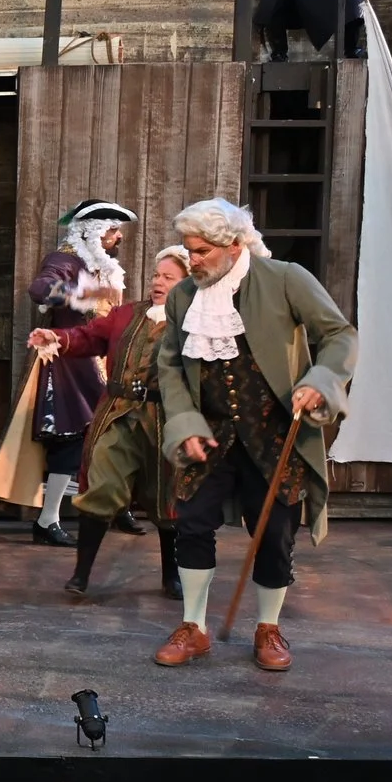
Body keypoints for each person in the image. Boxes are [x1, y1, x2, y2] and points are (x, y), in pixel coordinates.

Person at [153, 199, 357, 673]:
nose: (193, 260)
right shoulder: (185, 295)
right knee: (192, 523)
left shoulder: (284, 278)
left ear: (235, 244)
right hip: (211, 432)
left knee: (274, 533)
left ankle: (268, 627)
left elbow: (340, 335)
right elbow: (170, 367)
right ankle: (194, 627)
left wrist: (320, 382)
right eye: (189, 250)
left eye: (201, 251)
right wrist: (184, 424)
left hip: (274, 432)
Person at [29, 244, 189, 598]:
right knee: (101, 486)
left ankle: (171, 575)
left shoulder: (194, 321)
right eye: (156, 275)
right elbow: (89, 336)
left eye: (168, 277)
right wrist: (57, 337)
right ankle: (81, 575)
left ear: (188, 283)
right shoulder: (128, 314)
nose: (158, 282)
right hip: (117, 414)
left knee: (167, 494)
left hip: (165, 418)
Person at [28, 200, 136, 546]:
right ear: (93, 231)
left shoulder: (102, 264)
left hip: (104, 361)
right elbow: (40, 289)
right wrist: (82, 295)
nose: (118, 237)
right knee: (71, 437)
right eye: (112, 230)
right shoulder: (65, 260)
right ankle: (47, 521)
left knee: (118, 433)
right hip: (71, 363)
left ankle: (117, 506)